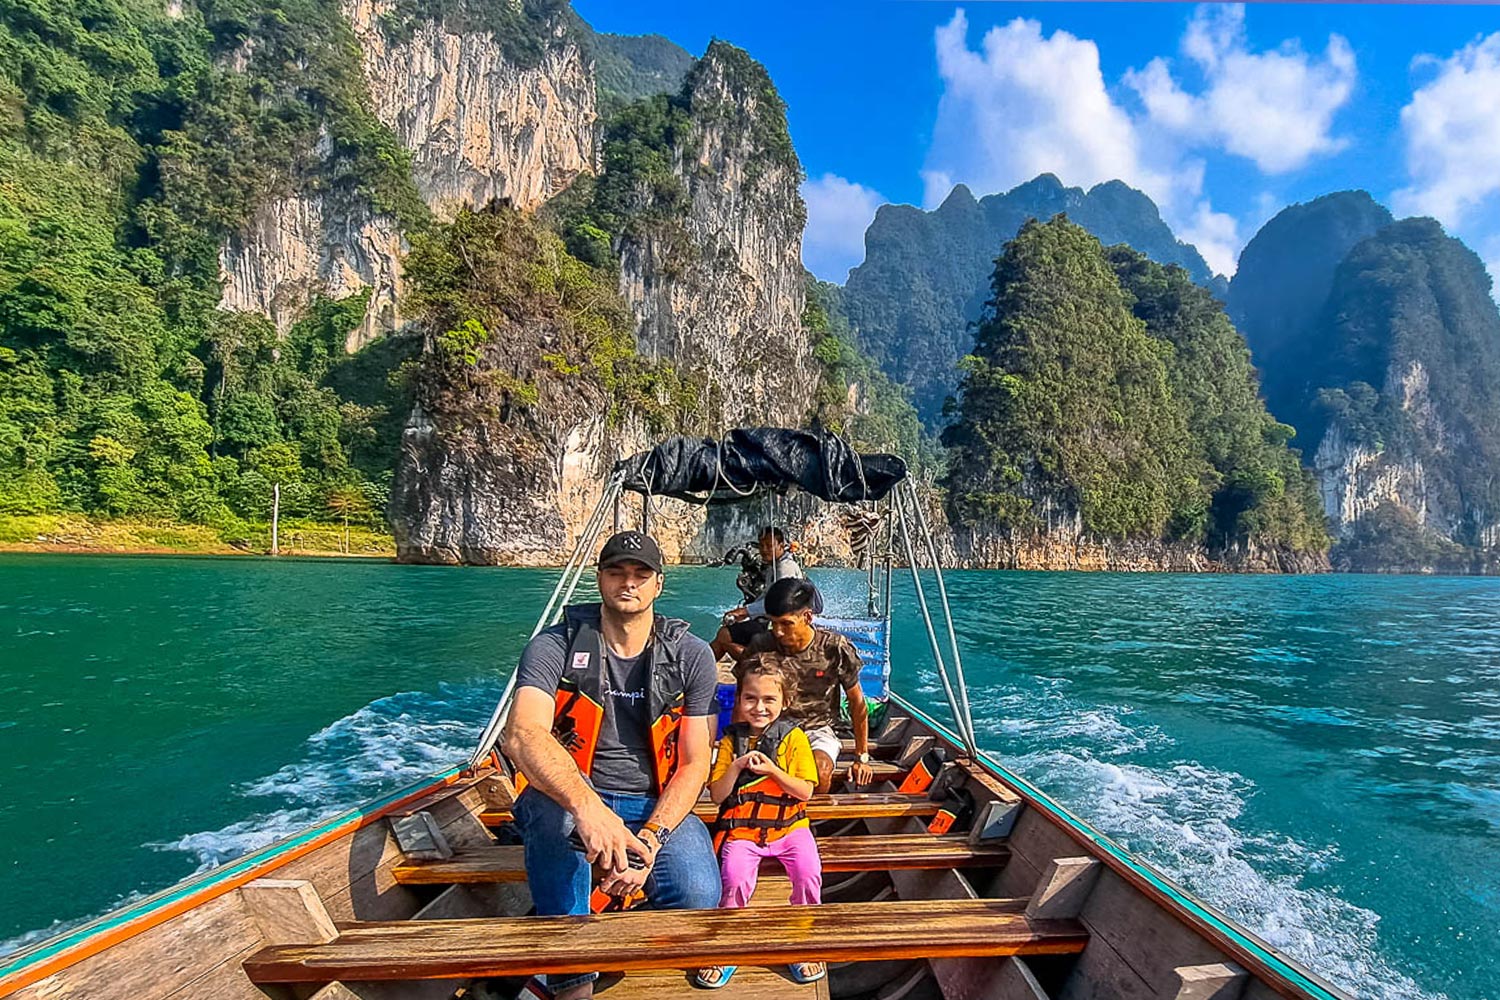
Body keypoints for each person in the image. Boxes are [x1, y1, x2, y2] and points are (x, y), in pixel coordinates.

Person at [502, 530, 721, 1000]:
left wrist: (650, 839)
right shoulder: (553, 646)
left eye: (641, 574)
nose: (629, 583)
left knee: (698, 895)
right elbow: (523, 733)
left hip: (653, 802)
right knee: (551, 813)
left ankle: (604, 908)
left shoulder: (691, 656)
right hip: (572, 794)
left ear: (658, 584)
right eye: (617, 572)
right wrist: (589, 808)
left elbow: (695, 761)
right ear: (599, 578)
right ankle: (571, 976)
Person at [695, 656, 823, 989]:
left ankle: (802, 943)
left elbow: (806, 791)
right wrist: (736, 766)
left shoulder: (794, 739)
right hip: (743, 831)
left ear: (785, 702)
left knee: (808, 873)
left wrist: (774, 772)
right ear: (739, 700)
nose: (759, 707)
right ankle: (728, 947)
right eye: (750, 698)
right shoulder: (730, 741)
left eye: (769, 700)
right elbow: (717, 796)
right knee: (734, 879)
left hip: (789, 829)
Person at [740, 578, 875, 793]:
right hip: (770, 725)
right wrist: (738, 741)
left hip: (817, 728)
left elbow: (857, 703)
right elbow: (743, 696)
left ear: (808, 617)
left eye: (786, 623)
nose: (778, 631)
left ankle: (808, 822)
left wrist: (862, 756)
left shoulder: (834, 648)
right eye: (772, 623)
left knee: (819, 773)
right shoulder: (761, 645)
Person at [710, 526, 804, 660]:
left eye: (769, 546)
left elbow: (778, 602)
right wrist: (746, 613)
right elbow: (767, 596)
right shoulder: (776, 566)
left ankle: (756, 665)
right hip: (769, 621)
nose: (764, 550)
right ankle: (698, 669)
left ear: (781, 546)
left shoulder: (785, 568)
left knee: (724, 635)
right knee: (725, 635)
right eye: (761, 546)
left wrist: (745, 611)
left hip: (778, 625)